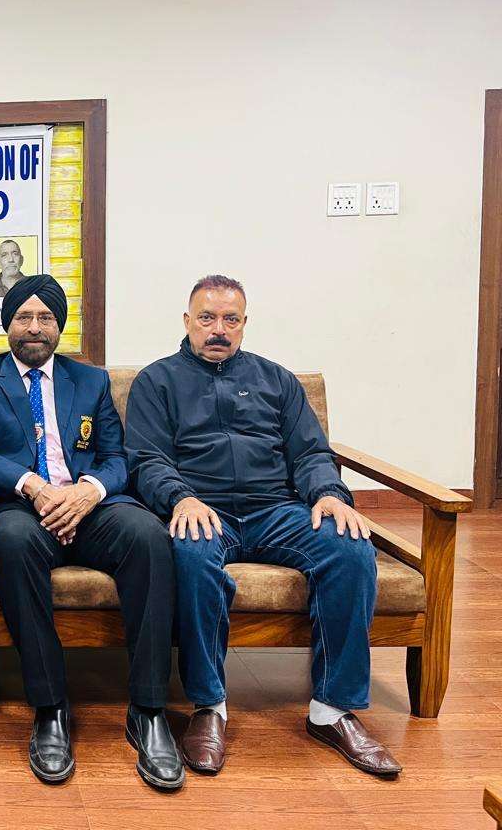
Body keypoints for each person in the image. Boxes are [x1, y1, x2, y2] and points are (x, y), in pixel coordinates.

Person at [125, 274, 401, 779]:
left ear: (244, 324)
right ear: (187, 321)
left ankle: (332, 710)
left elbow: (311, 453)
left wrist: (328, 493)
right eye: (207, 318)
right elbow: (146, 458)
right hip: (203, 508)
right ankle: (209, 706)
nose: (218, 329)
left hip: (276, 509)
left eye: (230, 319)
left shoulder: (277, 380)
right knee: (189, 554)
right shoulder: (157, 381)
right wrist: (181, 497)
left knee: (349, 548)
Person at [0, 274, 182, 790]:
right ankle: (50, 707)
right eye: (23, 317)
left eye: (45, 318)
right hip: (23, 507)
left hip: (89, 506)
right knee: (11, 543)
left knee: (148, 536)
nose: (34, 327)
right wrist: (32, 485)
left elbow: (117, 457)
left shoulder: (91, 381)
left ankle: (148, 710)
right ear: (7, 324)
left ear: (59, 326)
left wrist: (88, 492)